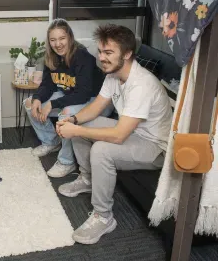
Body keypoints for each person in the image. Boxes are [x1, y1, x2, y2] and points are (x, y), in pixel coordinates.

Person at [56, 24, 172, 244]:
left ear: (127, 54)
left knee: (101, 149)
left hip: (155, 147)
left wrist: (76, 129)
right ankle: (88, 178)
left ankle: (104, 216)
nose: (102, 58)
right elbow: (96, 107)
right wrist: (73, 120)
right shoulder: (113, 75)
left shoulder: (142, 84)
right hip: (132, 133)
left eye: (108, 53)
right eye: (100, 52)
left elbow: (118, 136)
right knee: (84, 121)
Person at [24, 19, 113, 178]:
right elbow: (47, 84)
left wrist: (53, 103)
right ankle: (51, 142)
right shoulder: (51, 57)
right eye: (53, 40)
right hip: (72, 96)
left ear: (70, 37)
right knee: (30, 103)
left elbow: (83, 93)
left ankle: (66, 161)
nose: (57, 44)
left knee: (67, 112)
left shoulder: (82, 56)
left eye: (62, 38)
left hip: (97, 101)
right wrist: (38, 98)